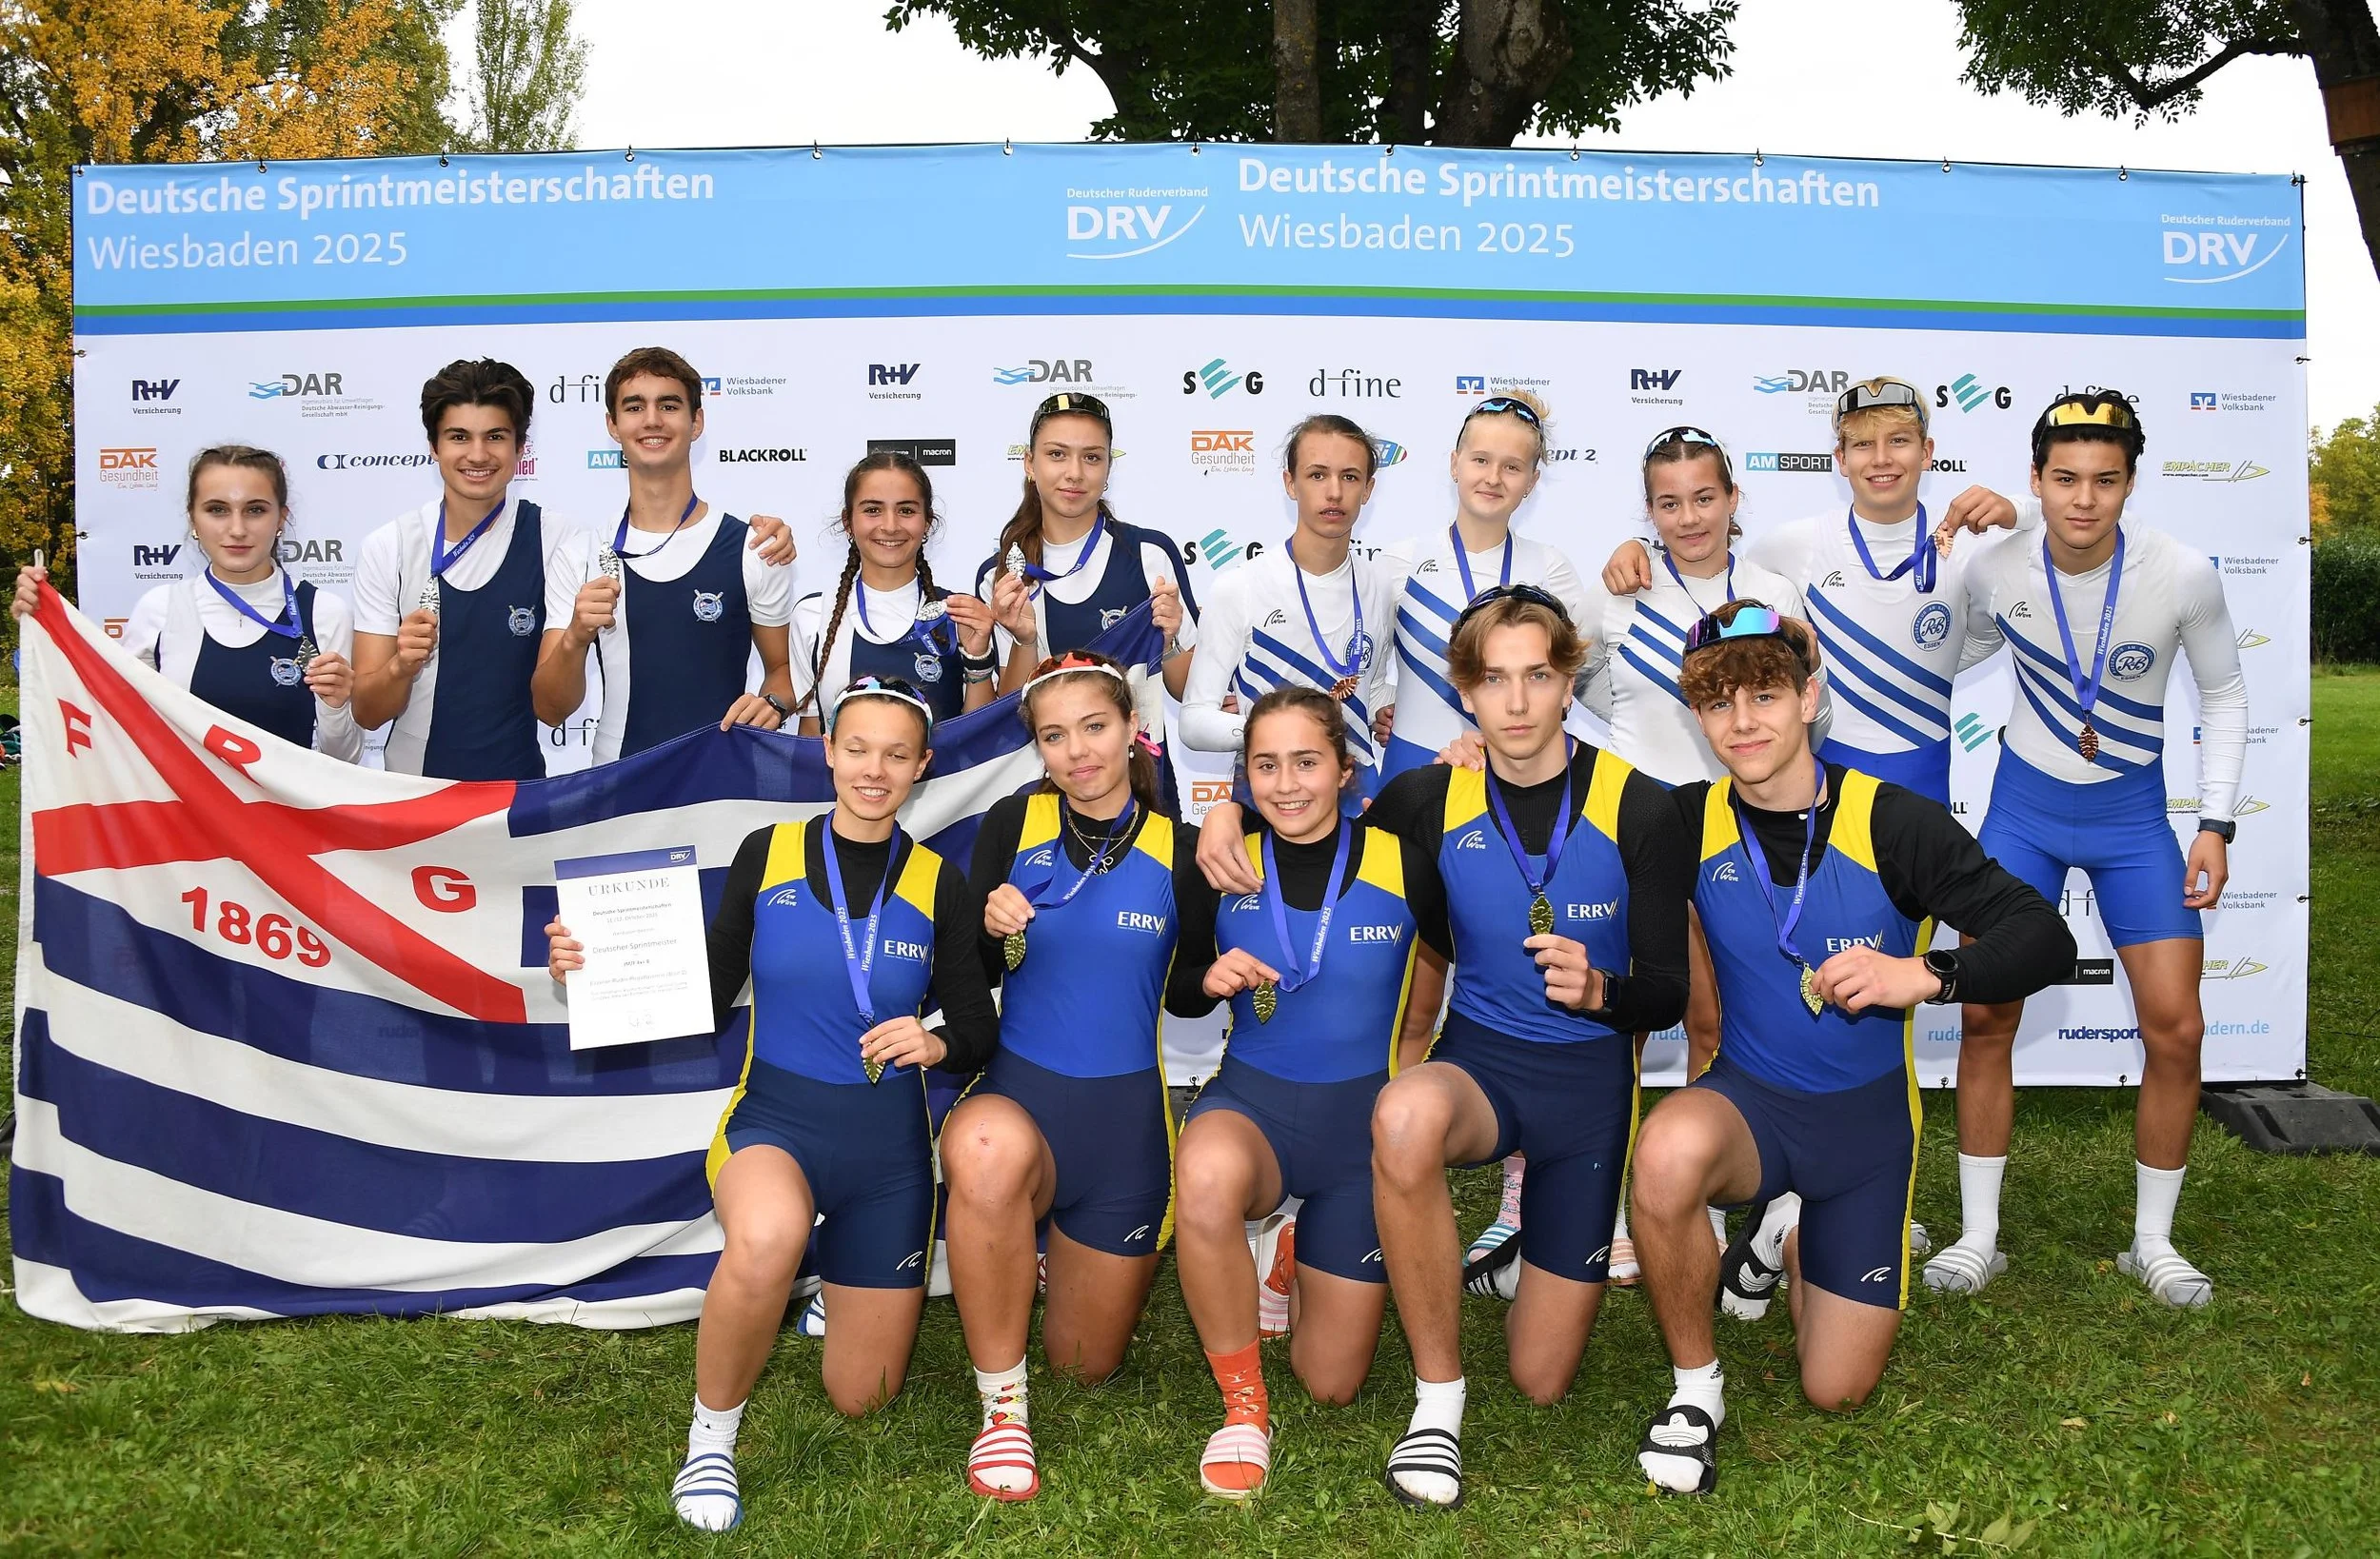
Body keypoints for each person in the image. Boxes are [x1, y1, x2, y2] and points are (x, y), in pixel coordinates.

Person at [1629, 600, 2072, 1496]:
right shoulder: (1683, 819)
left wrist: (1929, 974)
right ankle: (1695, 1388)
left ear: (1809, 698)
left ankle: (1786, 1236)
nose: (1742, 722)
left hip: (1865, 1135)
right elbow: (1556, 799)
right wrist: (1474, 757)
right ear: (1698, 718)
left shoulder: (1893, 820)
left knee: (1835, 1388)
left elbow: (2044, 937)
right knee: (1666, 1153)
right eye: (1717, 703)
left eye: (1764, 695)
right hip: (1751, 1105)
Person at [545, 677, 997, 1533]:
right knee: (765, 1238)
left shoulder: (941, 881)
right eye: (857, 749)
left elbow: (977, 1025)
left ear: (922, 767)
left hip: (889, 1159)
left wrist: (938, 1042)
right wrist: (591, 973)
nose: (874, 770)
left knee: (864, 1396)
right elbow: (705, 994)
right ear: (828, 752)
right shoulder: (768, 853)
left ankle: (832, 1291)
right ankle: (710, 1440)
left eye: (896, 754)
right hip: (776, 1124)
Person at [1360, 586, 1692, 1510]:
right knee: (1403, 1116)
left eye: (1537, 677)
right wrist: (1223, 834)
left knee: (1541, 1379)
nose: (1515, 703)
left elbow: (1669, 994)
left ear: (1568, 681)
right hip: (1484, 1067)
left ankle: (1517, 1252)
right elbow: (1319, 862)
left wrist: (1603, 992)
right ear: (1465, 691)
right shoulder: (1427, 796)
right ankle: (1437, 1404)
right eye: (1494, 680)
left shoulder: (1641, 806)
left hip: (1588, 1096)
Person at [1923, 391, 2246, 1307]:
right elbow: (1945, 650)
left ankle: (2153, 1243)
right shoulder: (1996, 565)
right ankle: (1979, 1238)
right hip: (2023, 814)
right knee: (1986, 1018)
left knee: (2177, 1028)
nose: (2084, 499)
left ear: (2130, 483)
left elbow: (2225, 695)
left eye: (2105, 480)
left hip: (2133, 822)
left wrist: (2216, 822)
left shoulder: (2182, 573)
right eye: (2064, 478)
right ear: (2036, 479)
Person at [946, 650, 1219, 1501]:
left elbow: (1186, 996)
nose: (1078, 752)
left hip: (1122, 1129)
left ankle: (1036, 1258)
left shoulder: (1180, 848)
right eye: (1055, 736)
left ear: (1133, 727)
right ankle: (1003, 1410)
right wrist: (986, 926)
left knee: (1084, 1366)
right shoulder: (1011, 825)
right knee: (985, 1152)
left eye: (1095, 727)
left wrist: (1221, 973)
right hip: (1020, 1105)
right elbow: (966, 976)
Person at [1170, 685, 1450, 1500]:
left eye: (1306, 762)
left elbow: (1469, 953)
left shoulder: (1406, 861)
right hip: (1253, 1109)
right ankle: (1242, 1408)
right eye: (1266, 766)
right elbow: (1182, 992)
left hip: (1360, 1140)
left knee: (1330, 1383)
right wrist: (1208, 978)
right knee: (1205, 1175)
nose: (1287, 784)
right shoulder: (1222, 861)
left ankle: (1288, 1256)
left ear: (1343, 769)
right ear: (1244, 775)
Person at [1564, 426, 1819, 1285]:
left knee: (1711, 1019)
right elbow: (1577, 684)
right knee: (1621, 1024)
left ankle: (1702, 1202)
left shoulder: (1774, 592)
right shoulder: (1620, 589)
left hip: (1728, 831)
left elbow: (1808, 714)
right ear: (1648, 510)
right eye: (1669, 503)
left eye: (1705, 497)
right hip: (1631, 827)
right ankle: (1605, 1203)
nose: (1689, 517)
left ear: (1734, 498)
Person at [352, 357, 796, 779]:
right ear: (433, 447)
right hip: (415, 791)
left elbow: (787, 670)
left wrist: (767, 539)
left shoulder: (562, 541)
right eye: (459, 437)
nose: (478, 454)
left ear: (520, 447)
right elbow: (367, 714)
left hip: (522, 797)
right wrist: (400, 667)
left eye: (495, 436)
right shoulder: (391, 547)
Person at [1599, 377, 2019, 808]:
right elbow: (1707, 566)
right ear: (1841, 458)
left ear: (1927, 452)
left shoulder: (1969, 548)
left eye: (1898, 441)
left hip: (1924, 782)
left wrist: (2019, 511)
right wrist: (1643, 547)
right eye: (1863, 444)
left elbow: (2021, 591)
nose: (1881, 459)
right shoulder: (1793, 546)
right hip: (1820, 784)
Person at [534, 346, 798, 761]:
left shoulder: (754, 547)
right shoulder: (581, 555)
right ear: (613, 425)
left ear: (697, 422)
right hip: (619, 783)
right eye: (634, 407)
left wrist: (774, 704)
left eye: (669, 405)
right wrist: (575, 637)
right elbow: (550, 710)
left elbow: (783, 670)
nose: (652, 419)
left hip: (722, 784)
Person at [13, 445, 359, 760]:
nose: (237, 529)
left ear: (281, 518)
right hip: (185, 812)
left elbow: (344, 760)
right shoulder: (159, 609)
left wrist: (335, 707)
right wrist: (45, 630)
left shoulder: (324, 612)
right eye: (217, 510)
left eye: (255, 510)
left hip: (287, 812)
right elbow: (112, 727)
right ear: (193, 519)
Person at [1183, 414, 1399, 797]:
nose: (1334, 492)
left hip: (1355, 789)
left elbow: (1373, 687)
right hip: (1269, 793)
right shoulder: (1239, 588)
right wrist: (1272, 732)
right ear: (1290, 483)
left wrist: (1391, 713)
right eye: (1317, 475)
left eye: (1350, 477)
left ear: (1368, 489)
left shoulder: (1381, 584)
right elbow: (1194, 721)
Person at [978, 392, 1197, 699]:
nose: (1075, 473)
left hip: (1138, 733)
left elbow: (1190, 693)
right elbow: (1011, 713)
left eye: (1092, 457)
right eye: (1057, 454)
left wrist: (1169, 642)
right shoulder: (1000, 575)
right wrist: (1024, 641)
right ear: (1029, 463)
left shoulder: (1150, 553)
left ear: (1108, 467)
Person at [791, 451, 999, 730]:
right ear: (848, 522)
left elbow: (979, 738)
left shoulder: (960, 616)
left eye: (906, 511)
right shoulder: (813, 615)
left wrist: (978, 661)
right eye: (872, 510)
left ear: (927, 522)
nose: (890, 526)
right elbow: (811, 739)